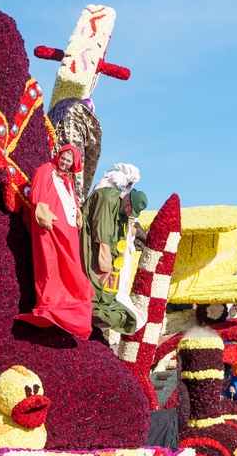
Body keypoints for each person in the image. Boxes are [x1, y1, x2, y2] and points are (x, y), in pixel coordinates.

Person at [17, 143, 94, 337]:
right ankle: (50, 302)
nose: (65, 163)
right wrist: (42, 211)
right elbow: (37, 192)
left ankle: (70, 301)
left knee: (71, 263)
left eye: (69, 161)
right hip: (51, 226)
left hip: (68, 229)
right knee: (50, 261)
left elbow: (72, 201)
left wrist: (78, 213)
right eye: (64, 158)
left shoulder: (68, 180)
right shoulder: (45, 169)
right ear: (58, 156)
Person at [80, 164, 148, 336]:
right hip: (92, 243)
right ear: (128, 201)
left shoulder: (122, 208)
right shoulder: (107, 196)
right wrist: (105, 254)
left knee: (109, 279)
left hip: (110, 250)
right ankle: (91, 304)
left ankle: (102, 304)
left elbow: (121, 232)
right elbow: (102, 228)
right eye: (132, 210)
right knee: (95, 273)